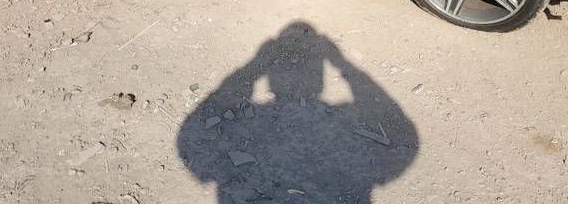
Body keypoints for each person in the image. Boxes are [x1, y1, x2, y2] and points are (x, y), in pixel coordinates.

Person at [177, 22, 418, 203]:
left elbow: (188, 139)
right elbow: (406, 142)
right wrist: (343, 64)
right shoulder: (339, 123)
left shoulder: (258, 119)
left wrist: (255, 65)